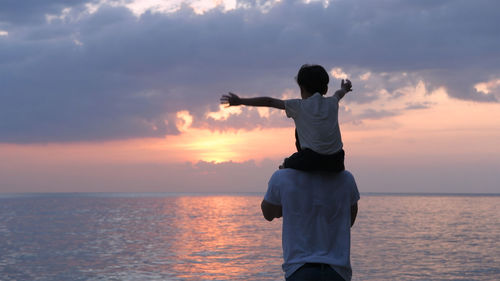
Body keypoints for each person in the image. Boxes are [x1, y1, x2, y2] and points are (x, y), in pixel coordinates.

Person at [220, 64, 352, 172]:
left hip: (312, 160)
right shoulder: (332, 102)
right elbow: (339, 93)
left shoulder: (299, 105)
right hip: (337, 161)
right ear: (325, 89)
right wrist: (345, 88)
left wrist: (240, 101)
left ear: (302, 88)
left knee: (286, 163)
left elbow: (269, 102)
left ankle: (284, 170)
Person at [261, 168, 360, 281]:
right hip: (338, 272)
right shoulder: (347, 179)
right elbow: (348, 222)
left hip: (299, 270)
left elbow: (268, 213)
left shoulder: (282, 177)